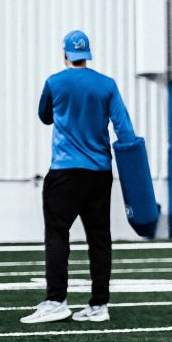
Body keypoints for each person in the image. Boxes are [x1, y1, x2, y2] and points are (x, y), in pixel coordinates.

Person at [21, 30, 137, 324]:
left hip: (65, 172)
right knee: (99, 239)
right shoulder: (107, 85)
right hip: (99, 173)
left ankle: (57, 300)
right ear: (87, 54)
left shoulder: (54, 82)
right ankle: (99, 305)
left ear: (65, 54)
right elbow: (124, 130)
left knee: (57, 234)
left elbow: (44, 117)